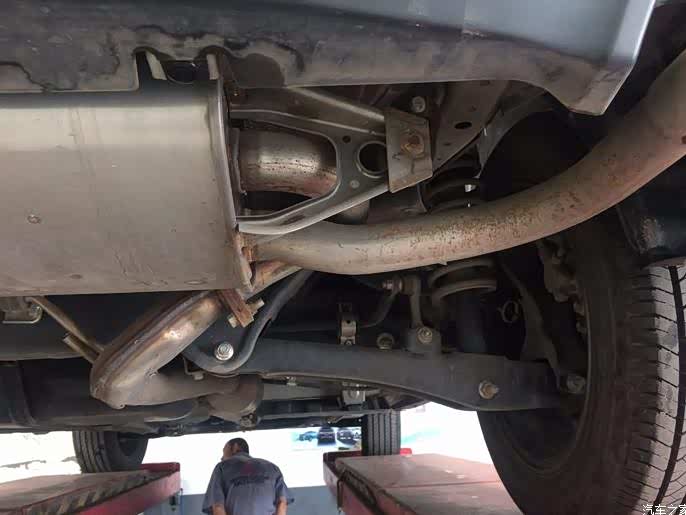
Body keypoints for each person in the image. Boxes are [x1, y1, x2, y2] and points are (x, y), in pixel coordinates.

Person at [203, 437, 292, 515]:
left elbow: (218, 506)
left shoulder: (222, 467)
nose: (222, 458)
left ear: (235, 447)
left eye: (224, 452)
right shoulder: (272, 467)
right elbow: (282, 503)